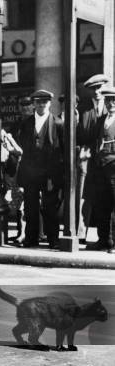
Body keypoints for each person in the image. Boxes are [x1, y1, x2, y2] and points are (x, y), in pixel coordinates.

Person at [16, 89, 64, 249]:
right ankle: (31, 239)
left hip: (50, 173)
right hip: (30, 173)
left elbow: (62, 152)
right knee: (30, 207)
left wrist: (57, 175)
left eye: (44, 102)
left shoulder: (58, 123)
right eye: (38, 102)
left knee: (50, 207)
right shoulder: (26, 123)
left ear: (50, 103)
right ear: (34, 104)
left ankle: (53, 240)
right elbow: (22, 148)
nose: (41, 105)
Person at [79, 73, 110, 247]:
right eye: (93, 89)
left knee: (107, 199)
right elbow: (80, 134)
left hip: (107, 161)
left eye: (99, 88)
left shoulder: (111, 108)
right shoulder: (84, 109)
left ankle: (107, 238)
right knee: (89, 198)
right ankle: (85, 234)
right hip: (89, 159)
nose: (97, 92)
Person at [86, 84, 115, 253]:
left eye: (114, 100)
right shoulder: (101, 120)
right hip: (99, 168)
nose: (111, 104)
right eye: (109, 100)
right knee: (101, 205)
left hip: (114, 168)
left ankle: (114, 242)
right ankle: (103, 239)